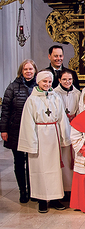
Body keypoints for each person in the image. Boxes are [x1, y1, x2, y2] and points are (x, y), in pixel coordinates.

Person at [17, 71, 71, 213]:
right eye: (44, 82)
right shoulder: (32, 100)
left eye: (49, 82)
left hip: (53, 135)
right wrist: (31, 142)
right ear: (38, 82)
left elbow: (62, 118)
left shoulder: (56, 97)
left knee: (54, 169)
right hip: (39, 136)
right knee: (39, 169)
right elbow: (28, 123)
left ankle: (55, 198)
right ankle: (41, 199)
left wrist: (65, 137)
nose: (47, 85)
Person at [0, 59, 37, 203]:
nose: (28, 71)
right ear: (21, 71)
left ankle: (33, 190)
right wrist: (3, 129)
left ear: (35, 71)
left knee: (32, 162)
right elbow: (5, 109)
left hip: (33, 130)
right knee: (19, 162)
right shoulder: (12, 87)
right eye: (25, 69)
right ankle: (23, 190)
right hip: (16, 129)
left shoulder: (38, 86)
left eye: (31, 69)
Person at [54, 69, 81, 196]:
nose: (67, 81)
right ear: (59, 80)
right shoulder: (54, 93)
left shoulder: (77, 93)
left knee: (74, 158)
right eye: (64, 79)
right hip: (61, 127)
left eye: (69, 79)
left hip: (74, 125)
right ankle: (65, 189)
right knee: (64, 158)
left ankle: (74, 189)